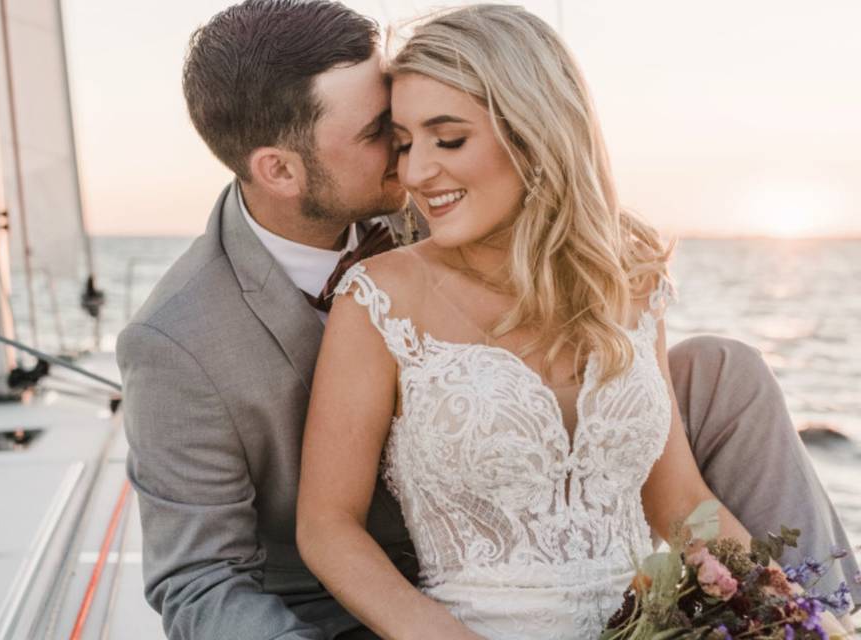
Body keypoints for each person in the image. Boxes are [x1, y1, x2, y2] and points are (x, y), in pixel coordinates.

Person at [116, 0, 858, 638]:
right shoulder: (183, 340)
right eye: (389, 137)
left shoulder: (459, 213)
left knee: (732, 370)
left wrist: (786, 611)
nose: (410, 169)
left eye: (432, 135)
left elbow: (680, 499)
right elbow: (208, 580)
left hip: (614, 585)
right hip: (378, 604)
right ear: (279, 169)